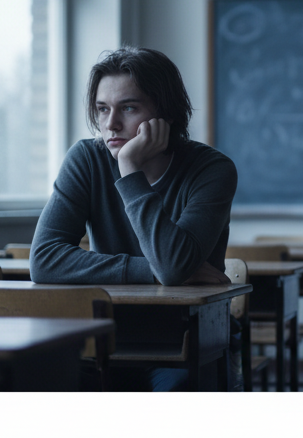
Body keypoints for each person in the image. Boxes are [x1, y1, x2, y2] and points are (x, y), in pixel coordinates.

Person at [30, 46, 239, 390]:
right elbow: (43, 260)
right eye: (102, 109)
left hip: (187, 338)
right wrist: (149, 270)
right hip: (106, 336)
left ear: (166, 113)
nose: (110, 124)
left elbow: (172, 267)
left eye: (128, 108)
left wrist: (128, 168)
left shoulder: (212, 170)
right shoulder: (86, 159)